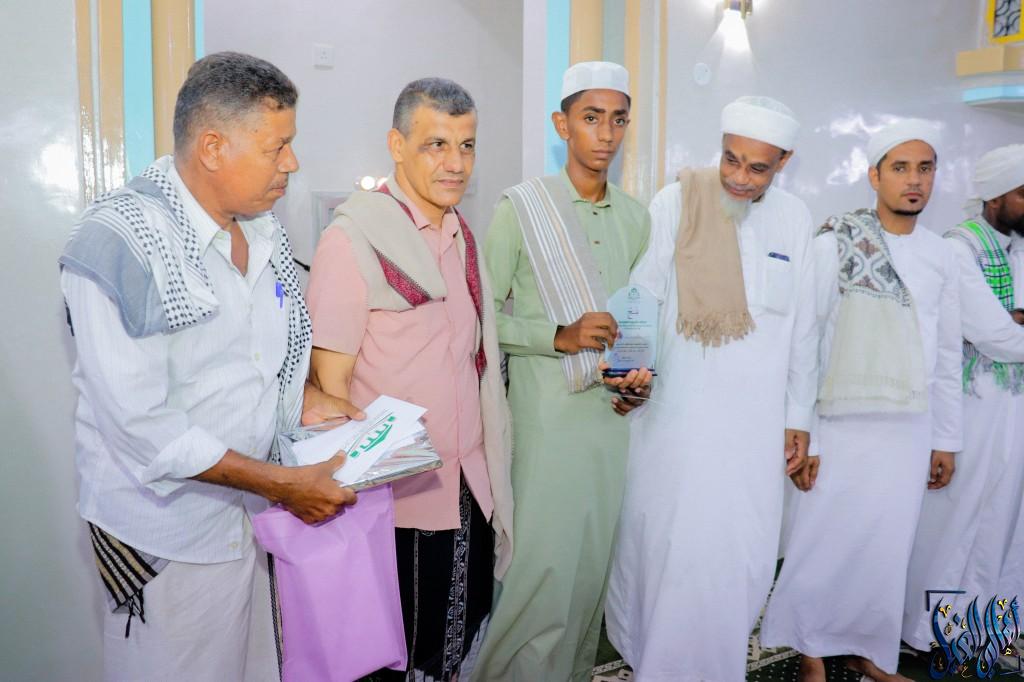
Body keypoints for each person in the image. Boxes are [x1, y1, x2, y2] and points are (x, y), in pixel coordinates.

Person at [59, 52, 359, 681]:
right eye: (276, 147)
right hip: (166, 538)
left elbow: (254, 366)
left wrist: (318, 408)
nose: (292, 163)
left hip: (250, 524)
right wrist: (283, 484)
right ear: (213, 147)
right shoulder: (119, 242)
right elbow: (144, 428)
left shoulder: (264, 231)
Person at [305, 77, 513, 682]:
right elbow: (330, 393)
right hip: (397, 499)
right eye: (436, 145)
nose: (456, 164)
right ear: (397, 146)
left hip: (468, 481)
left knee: (459, 640)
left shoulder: (462, 235)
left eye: (467, 146)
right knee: (399, 655)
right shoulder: (352, 239)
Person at [605, 95, 817, 682]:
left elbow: (805, 327)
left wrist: (799, 417)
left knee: (739, 554)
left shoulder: (795, 219)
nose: (740, 177)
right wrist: (629, 375)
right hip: (679, 417)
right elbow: (643, 294)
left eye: (758, 167)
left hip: (755, 426)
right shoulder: (676, 201)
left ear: (783, 162)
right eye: (731, 159)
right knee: (670, 547)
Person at [760, 120, 963, 682]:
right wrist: (807, 431)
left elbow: (947, 353)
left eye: (925, 169)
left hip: (910, 427)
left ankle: (868, 650)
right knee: (822, 538)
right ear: (875, 176)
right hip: (841, 421)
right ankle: (810, 649)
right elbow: (807, 339)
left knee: (887, 546)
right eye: (900, 168)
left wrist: (946, 438)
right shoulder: (835, 242)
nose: (914, 180)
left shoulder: (942, 255)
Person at [471, 61, 651, 682]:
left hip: (609, 424)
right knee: (537, 573)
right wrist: (556, 336)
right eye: (591, 118)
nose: (606, 133)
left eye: (618, 120)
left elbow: (636, 321)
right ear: (562, 124)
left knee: (587, 572)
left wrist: (636, 381)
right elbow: (479, 318)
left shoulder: (636, 218)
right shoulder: (521, 208)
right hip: (545, 424)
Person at [902, 143, 1024, 656]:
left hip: (1011, 406)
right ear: (995, 196)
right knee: (958, 522)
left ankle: (989, 633)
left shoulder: (1017, 245)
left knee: (1003, 523)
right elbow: (998, 337)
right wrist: (1010, 325)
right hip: (970, 406)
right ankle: (931, 634)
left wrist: (1011, 324)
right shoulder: (959, 248)